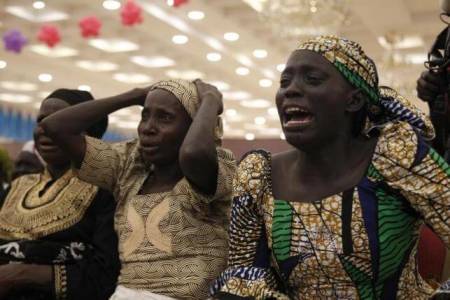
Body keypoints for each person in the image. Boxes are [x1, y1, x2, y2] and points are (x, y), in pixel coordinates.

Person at [210, 35, 450, 299]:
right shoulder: (258, 174)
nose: (290, 90)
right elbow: (243, 278)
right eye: (284, 82)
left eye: (312, 79)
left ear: (354, 100)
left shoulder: (395, 154)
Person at [41, 79, 236, 299]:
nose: (148, 128)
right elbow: (54, 127)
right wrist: (134, 95)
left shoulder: (217, 169)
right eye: (145, 116)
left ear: (194, 126)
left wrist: (210, 100)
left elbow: (192, 153)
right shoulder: (129, 170)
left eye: (165, 118)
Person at [0, 89, 120, 300]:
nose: (46, 129)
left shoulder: (107, 191)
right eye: (41, 120)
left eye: (60, 121)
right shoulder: (18, 185)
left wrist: (23, 274)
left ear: (89, 132)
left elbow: (106, 275)